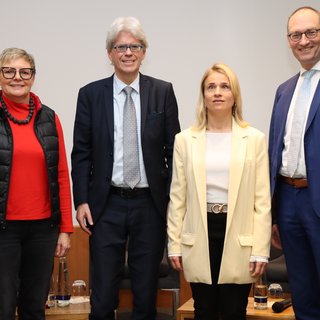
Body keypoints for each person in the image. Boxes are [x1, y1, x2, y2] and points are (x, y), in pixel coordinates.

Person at [71, 17, 180, 320]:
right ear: (110, 53)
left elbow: (175, 153)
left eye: (135, 46)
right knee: (104, 296)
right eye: (121, 47)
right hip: (106, 206)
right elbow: (81, 153)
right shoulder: (90, 95)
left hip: (150, 205)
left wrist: (172, 203)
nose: (128, 52)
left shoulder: (163, 91)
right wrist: (81, 201)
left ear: (144, 52)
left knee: (145, 296)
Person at [167, 63, 271, 320]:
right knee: (204, 310)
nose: (217, 92)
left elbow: (262, 200)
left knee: (234, 310)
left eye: (225, 86)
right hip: (199, 232)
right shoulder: (185, 140)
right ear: (203, 95)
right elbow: (177, 197)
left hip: (239, 234)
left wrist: (261, 249)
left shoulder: (254, 138)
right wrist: (174, 244)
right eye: (211, 86)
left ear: (234, 95)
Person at [0, 48, 73, 320]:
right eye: (9, 71)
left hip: (43, 230)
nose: (17, 77)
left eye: (24, 71)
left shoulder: (49, 118)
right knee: (3, 307)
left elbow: (62, 175)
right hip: (3, 229)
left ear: (33, 77)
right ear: (1, 76)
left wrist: (65, 229)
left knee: (34, 306)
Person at [269, 6, 320, 319]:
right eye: (296, 35)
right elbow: (277, 151)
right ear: (288, 41)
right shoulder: (284, 90)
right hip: (288, 201)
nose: (304, 40)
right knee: (302, 292)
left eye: (311, 32)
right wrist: (274, 212)